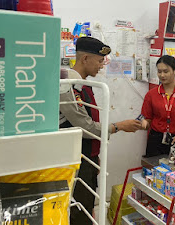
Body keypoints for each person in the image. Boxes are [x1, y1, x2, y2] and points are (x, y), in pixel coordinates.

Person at [59, 37, 141, 225]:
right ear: (85, 58)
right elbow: (85, 126)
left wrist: (96, 158)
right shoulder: (67, 86)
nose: (102, 66)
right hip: (76, 160)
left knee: (87, 204)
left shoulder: (84, 84)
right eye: (99, 61)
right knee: (79, 211)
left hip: (88, 157)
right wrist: (119, 126)